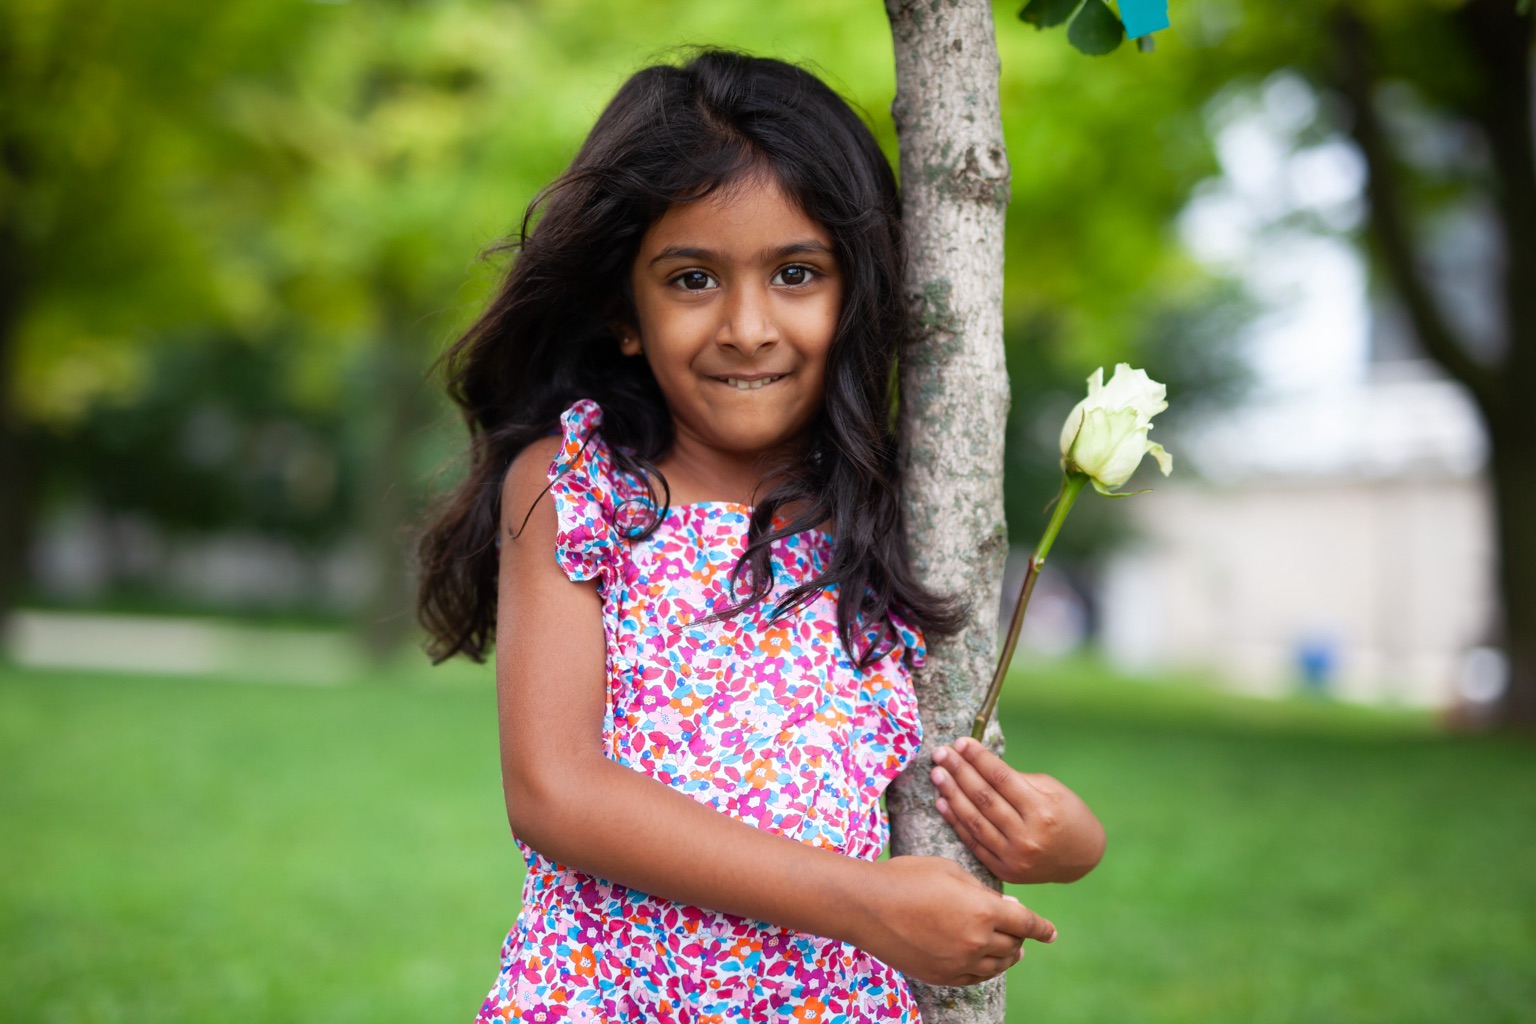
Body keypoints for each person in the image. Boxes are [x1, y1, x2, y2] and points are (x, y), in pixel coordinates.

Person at [416, 49, 1105, 1023]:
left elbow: (961, 774)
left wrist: (1068, 839)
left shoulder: (898, 510)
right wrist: (863, 902)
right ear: (623, 308)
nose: (747, 326)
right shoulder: (579, 485)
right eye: (693, 278)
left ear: (855, 288)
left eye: (795, 272)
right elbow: (555, 788)